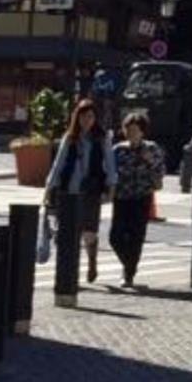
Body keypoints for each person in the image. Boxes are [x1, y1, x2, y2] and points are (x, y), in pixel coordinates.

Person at [45, 97, 110, 284]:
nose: (87, 121)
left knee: (89, 233)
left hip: (91, 191)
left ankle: (92, 262)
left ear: (95, 118)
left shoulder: (101, 138)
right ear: (77, 118)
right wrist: (49, 188)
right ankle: (70, 273)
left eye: (90, 117)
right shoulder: (69, 138)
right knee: (65, 234)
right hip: (68, 191)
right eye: (83, 117)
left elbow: (110, 164)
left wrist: (111, 187)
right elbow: (57, 164)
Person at [106, 112, 167, 287]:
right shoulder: (118, 149)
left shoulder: (152, 148)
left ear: (142, 131)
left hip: (142, 197)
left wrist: (150, 162)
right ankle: (129, 264)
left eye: (134, 130)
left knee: (136, 236)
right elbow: (109, 171)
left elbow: (161, 172)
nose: (131, 133)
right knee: (115, 237)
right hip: (122, 197)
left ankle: (129, 274)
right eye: (128, 129)